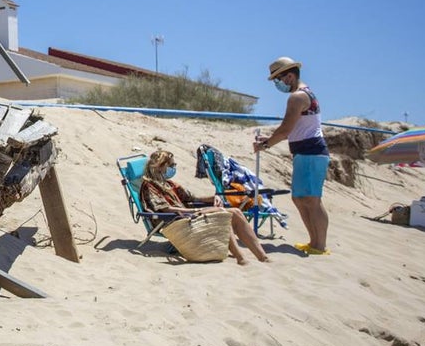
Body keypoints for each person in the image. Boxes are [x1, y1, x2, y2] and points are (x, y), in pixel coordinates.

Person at [253, 57, 330, 255]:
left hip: (311, 152)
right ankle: (314, 242)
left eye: (278, 79)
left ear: (289, 75)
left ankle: (319, 245)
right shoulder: (303, 95)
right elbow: (293, 128)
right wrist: (269, 138)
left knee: (312, 200)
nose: (278, 84)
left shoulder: (297, 97)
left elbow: (286, 129)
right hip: (305, 153)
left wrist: (266, 144)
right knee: (300, 198)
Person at [139, 150, 270, 265]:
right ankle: (241, 258)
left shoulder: (169, 184)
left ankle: (262, 256)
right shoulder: (149, 186)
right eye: (172, 165)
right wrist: (196, 210)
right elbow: (167, 210)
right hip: (174, 222)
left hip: (186, 217)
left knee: (236, 211)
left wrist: (213, 198)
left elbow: (192, 198)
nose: (173, 168)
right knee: (221, 213)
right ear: (162, 166)